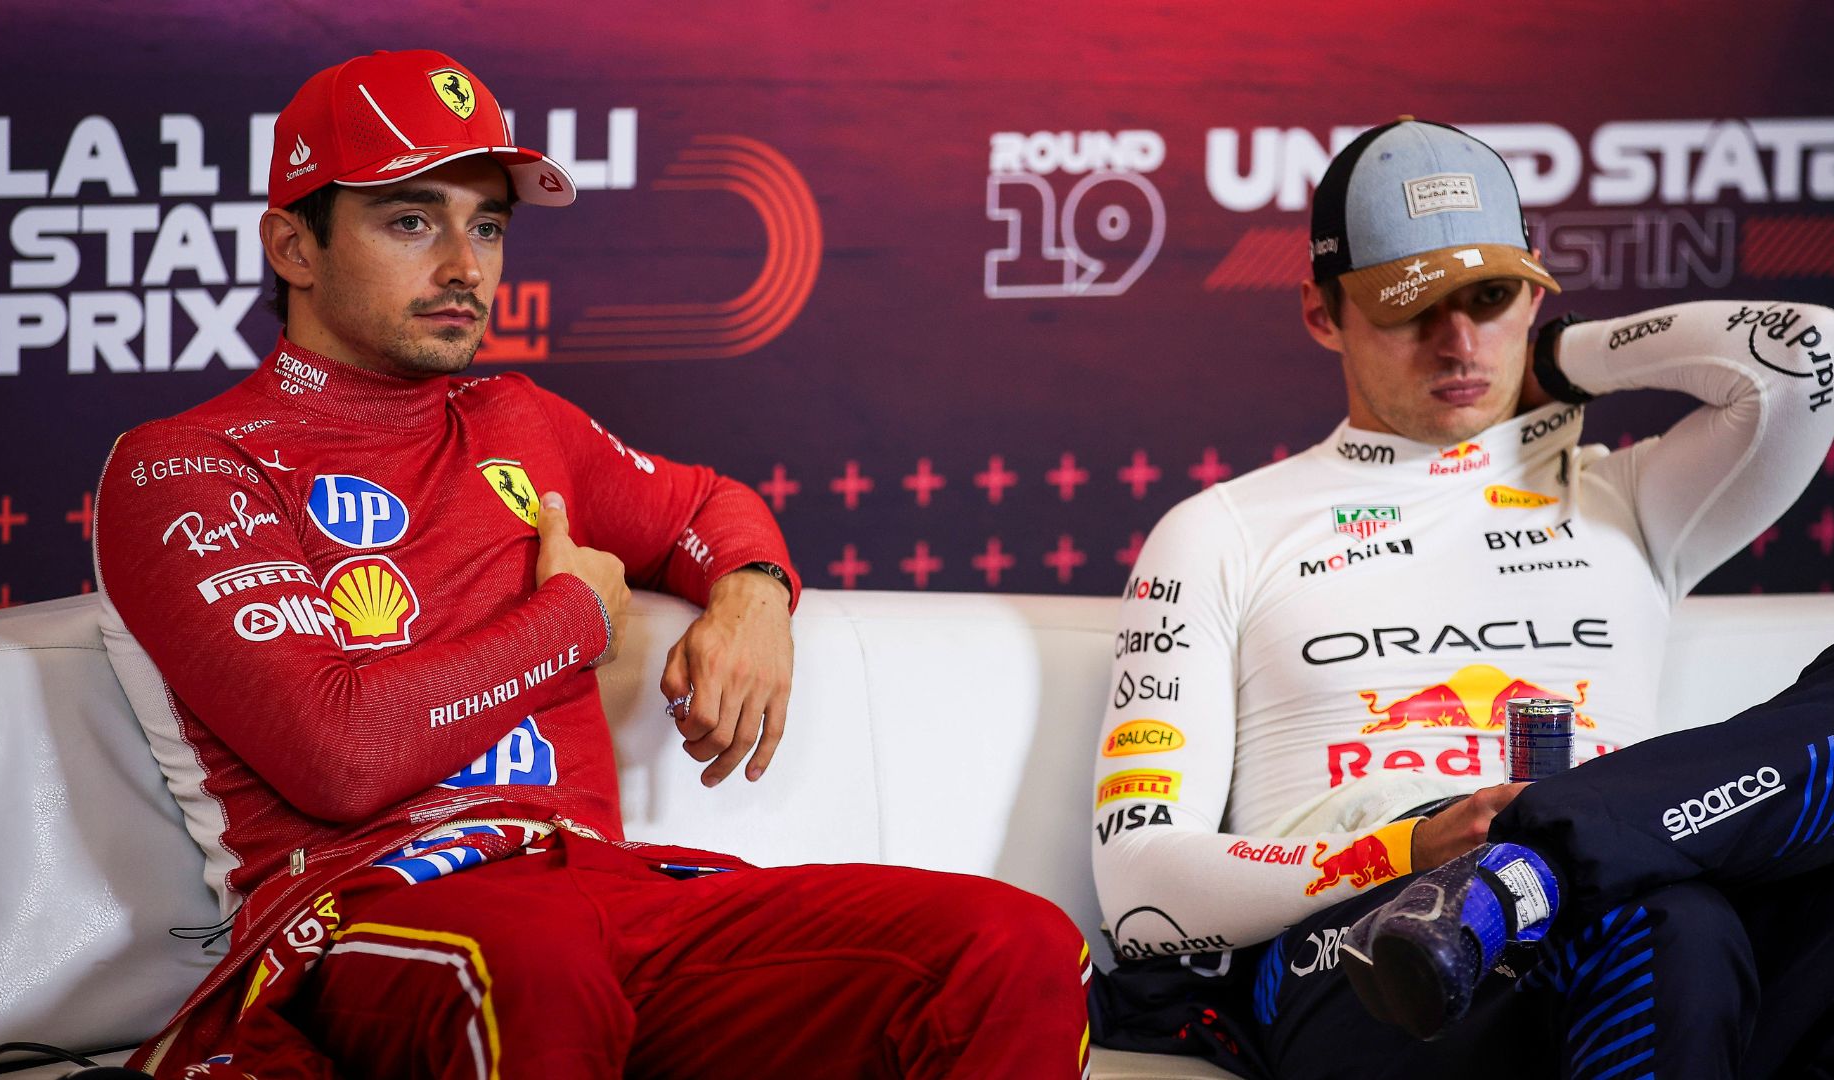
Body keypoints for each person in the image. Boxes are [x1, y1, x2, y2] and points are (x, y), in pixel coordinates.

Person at [94, 50, 1089, 1079]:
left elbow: (710, 504)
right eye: (411, 221)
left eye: (486, 226)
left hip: (614, 894)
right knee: (535, 965)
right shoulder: (188, 464)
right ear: (293, 247)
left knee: (1007, 946)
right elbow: (338, 756)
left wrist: (754, 594)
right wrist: (572, 618)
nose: (464, 267)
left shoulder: (519, 417)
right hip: (372, 915)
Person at [1086, 117, 1834, 1079]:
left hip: (1659, 889)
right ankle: (1532, 870)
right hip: (1378, 945)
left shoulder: (1625, 497)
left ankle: (1545, 859)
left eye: (1491, 294)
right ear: (1320, 311)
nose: (1458, 341)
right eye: (1408, 306)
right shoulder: (1221, 528)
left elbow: (1810, 353)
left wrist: (1561, 361)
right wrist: (1411, 846)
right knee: (1667, 920)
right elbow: (1141, 889)